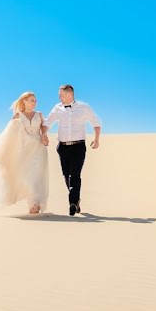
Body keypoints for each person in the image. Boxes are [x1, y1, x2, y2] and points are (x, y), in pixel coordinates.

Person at [0, 91, 49, 214]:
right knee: (26, 177)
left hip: (39, 150)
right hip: (24, 152)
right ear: (24, 101)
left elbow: (43, 131)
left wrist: (44, 137)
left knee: (37, 177)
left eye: (35, 100)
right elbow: (9, 135)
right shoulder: (17, 116)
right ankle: (32, 204)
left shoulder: (39, 115)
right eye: (32, 100)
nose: (34, 103)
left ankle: (35, 204)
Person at [41, 84, 101, 216]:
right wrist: (44, 134)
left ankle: (73, 203)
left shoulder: (84, 107)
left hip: (78, 147)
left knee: (75, 175)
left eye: (61, 94)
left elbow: (96, 122)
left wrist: (96, 139)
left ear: (69, 94)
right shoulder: (57, 108)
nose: (59, 97)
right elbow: (47, 122)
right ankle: (76, 198)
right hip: (62, 147)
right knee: (66, 175)